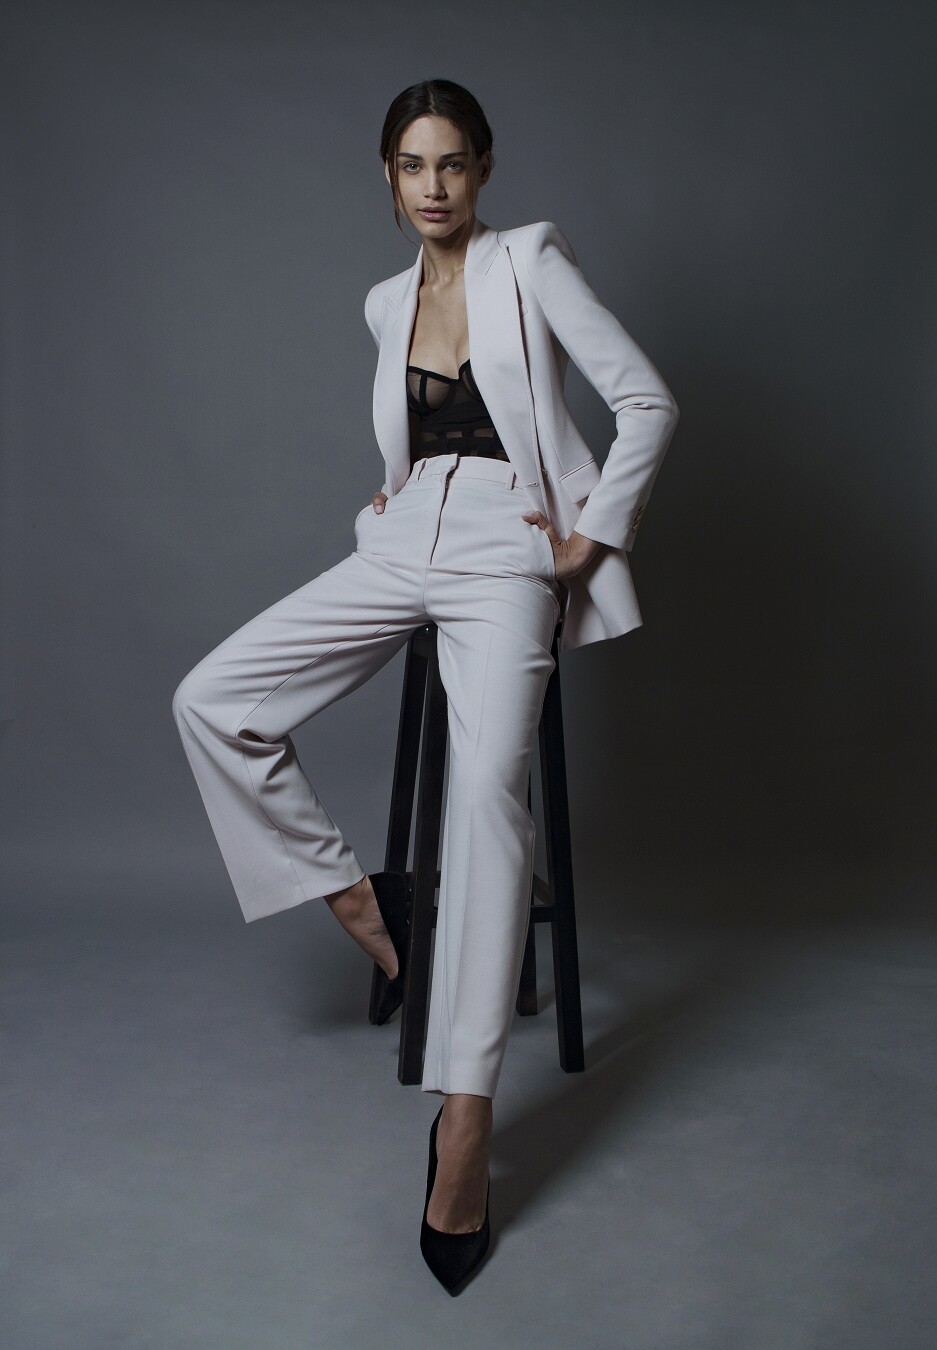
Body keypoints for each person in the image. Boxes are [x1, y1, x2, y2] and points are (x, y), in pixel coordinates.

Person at [172, 77, 679, 1294]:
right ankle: (367, 905)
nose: (434, 186)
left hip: (510, 547)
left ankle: (464, 1121)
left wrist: (592, 536)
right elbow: (417, 439)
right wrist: (395, 497)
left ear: (484, 168)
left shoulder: (530, 261)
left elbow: (645, 400)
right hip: (400, 546)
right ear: (389, 179)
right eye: (412, 165)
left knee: (488, 795)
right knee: (213, 700)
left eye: (452, 162)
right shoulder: (382, 300)